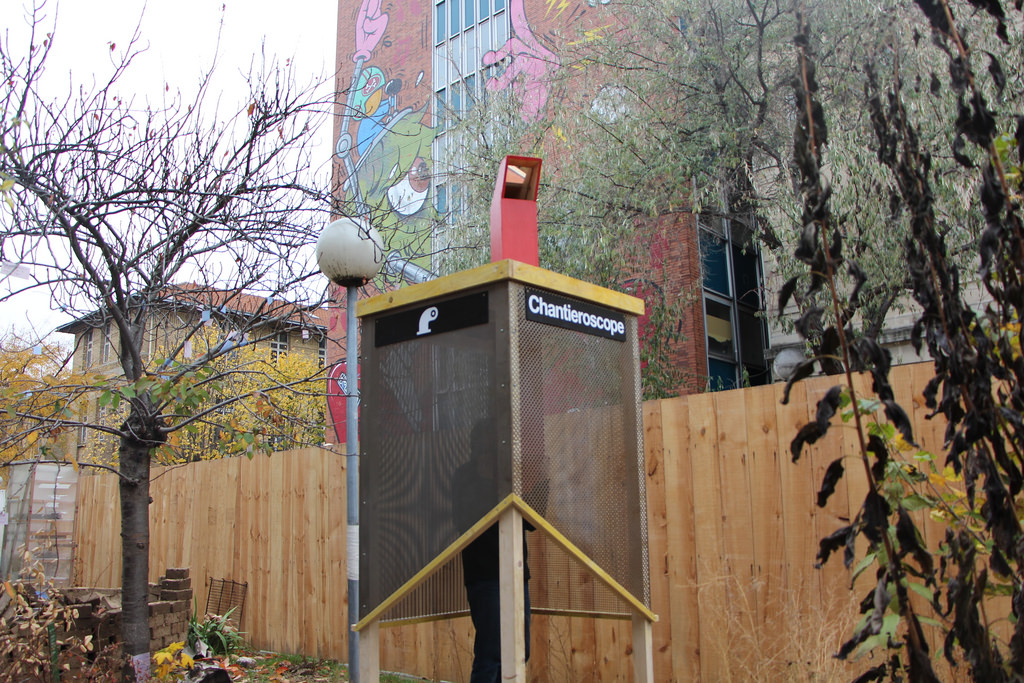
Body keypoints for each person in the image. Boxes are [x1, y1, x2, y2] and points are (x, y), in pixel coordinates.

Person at [453, 420, 532, 683]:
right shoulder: (464, 476)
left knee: (521, 651)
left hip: (517, 572)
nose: (487, 448)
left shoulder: (509, 475)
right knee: (492, 653)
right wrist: (486, 481)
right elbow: (462, 521)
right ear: (474, 446)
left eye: (493, 443)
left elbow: (531, 523)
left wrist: (542, 478)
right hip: (485, 576)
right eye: (482, 443)